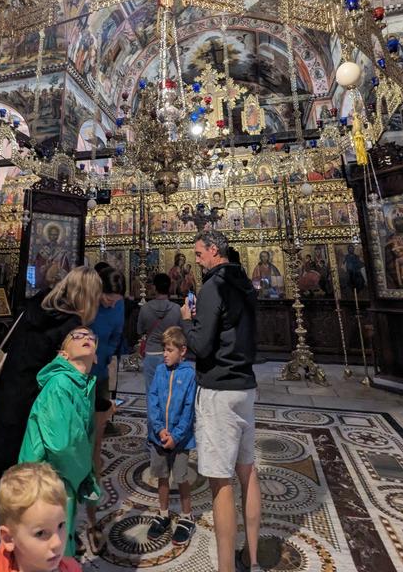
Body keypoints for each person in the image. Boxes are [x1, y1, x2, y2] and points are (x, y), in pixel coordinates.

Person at [0, 267, 102, 499]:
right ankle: (26, 518)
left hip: (10, 389)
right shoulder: (70, 324)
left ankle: (8, 507)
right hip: (37, 400)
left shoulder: (38, 307)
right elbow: (70, 373)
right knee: (30, 465)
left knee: (2, 457)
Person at [180, 230, 261, 572]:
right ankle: (253, 559)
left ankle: (226, 567)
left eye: (199, 253)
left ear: (214, 251)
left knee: (220, 481)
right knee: (248, 470)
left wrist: (187, 320)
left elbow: (201, 345)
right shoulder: (244, 283)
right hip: (245, 385)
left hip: (219, 389)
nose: (196, 260)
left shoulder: (214, 286)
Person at [19, 328, 100, 558]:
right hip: (46, 479)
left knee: (58, 541)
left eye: (91, 338)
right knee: (48, 548)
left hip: (61, 477)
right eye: (77, 336)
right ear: (63, 354)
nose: (86, 338)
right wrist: (85, 475)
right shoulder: (60, 385)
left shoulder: (82, 384)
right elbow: (62, 446)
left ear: (95, 356)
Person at [86, 266, 125, 552]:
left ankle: (91, 515)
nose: (111, 303)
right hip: (76, 375)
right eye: (108, 298)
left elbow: (116, 335)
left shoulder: (118, 306)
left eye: (116, 299)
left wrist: (109, 352)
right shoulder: (87, 302)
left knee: (94, 444)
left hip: (98, 376)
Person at [147, 327, 197, 547]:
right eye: (164, 350)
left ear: (182, 350)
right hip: (159, 437)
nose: (165, 354)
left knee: (181, 477)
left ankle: (187, 517)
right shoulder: (159, 371)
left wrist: (176, 436)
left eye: (169, 350)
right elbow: (153, 400)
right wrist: (159, 429)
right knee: (162, 476)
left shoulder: (190, 374)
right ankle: (163, 513)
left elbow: (189, 409)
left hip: (181, 440)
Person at [0, 462, 81, 572]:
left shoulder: (69, 567)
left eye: (60, 525)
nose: (57, 542)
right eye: (40, 533)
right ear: (8, 538)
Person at [137, 272, 182, 391]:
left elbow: (139, 330)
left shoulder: (145, 308)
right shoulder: (177, 309)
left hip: (151, 352)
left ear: (154, 288)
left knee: (152, 391)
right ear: (169, 288)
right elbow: (182, 332)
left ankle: (153, 410)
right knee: (170, 390)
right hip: (171, 353)